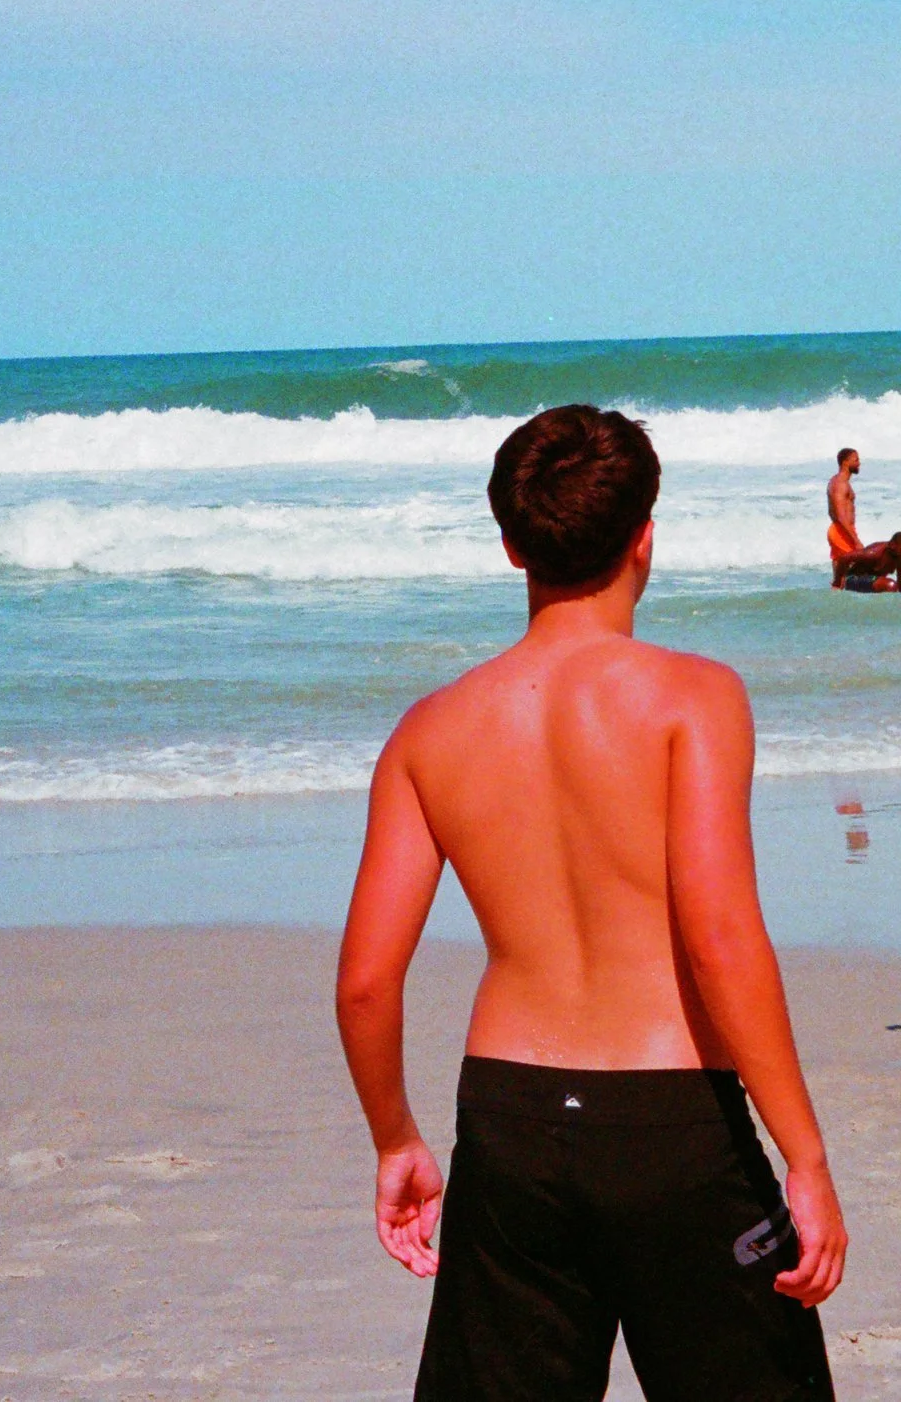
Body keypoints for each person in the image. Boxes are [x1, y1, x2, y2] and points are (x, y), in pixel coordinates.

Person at [337, 404, 845, 1400]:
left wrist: (395, 1135)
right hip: (675, 1123)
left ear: (510, 542)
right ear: (645, 534)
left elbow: (364, 983)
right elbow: (720, 938)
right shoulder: (693, 697)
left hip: (510, 1124)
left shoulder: (428, 732)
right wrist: (806, 1151)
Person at [826, 449, 901, 591]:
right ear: (845, 462)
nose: (859, 463)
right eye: (856, 460)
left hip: (844, 530)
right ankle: (837, 596)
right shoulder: (840, 483)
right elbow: (840, 516)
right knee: (846, 570)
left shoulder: (841, 482)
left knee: (846, 571)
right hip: (841, 531)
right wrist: (855, 539)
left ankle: (838, 598)